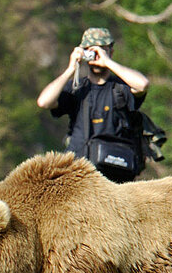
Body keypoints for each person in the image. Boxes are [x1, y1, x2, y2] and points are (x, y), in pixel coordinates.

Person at [36, 27, 150, 183]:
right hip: (80, 173)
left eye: (101, 50)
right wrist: (70, 69)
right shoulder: (77, 88)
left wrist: (108, 62)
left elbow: (142, 85)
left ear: (111, 52)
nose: (96, 56)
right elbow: (44, 102)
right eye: (91, 51)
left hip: (117, 174)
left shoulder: (122, 88)